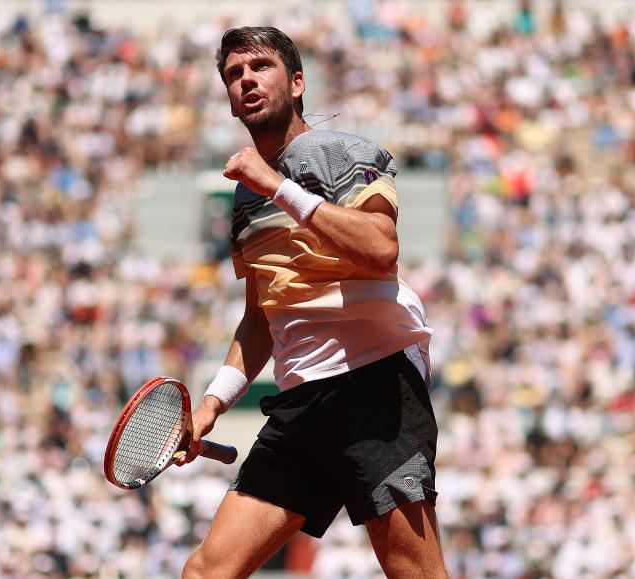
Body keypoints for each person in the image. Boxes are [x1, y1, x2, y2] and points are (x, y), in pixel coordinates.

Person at [178, 26, 448, 578]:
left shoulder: (336, 151)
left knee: (415, 573)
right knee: (207, 571)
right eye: (234, 74)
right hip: (301, 403)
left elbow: (381, 249)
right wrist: (211, 404)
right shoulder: (245, 195)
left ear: (297, 82)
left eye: (260, 67)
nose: (246, 79)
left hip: (373, 388)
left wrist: (278, 186)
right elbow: (260, 317)